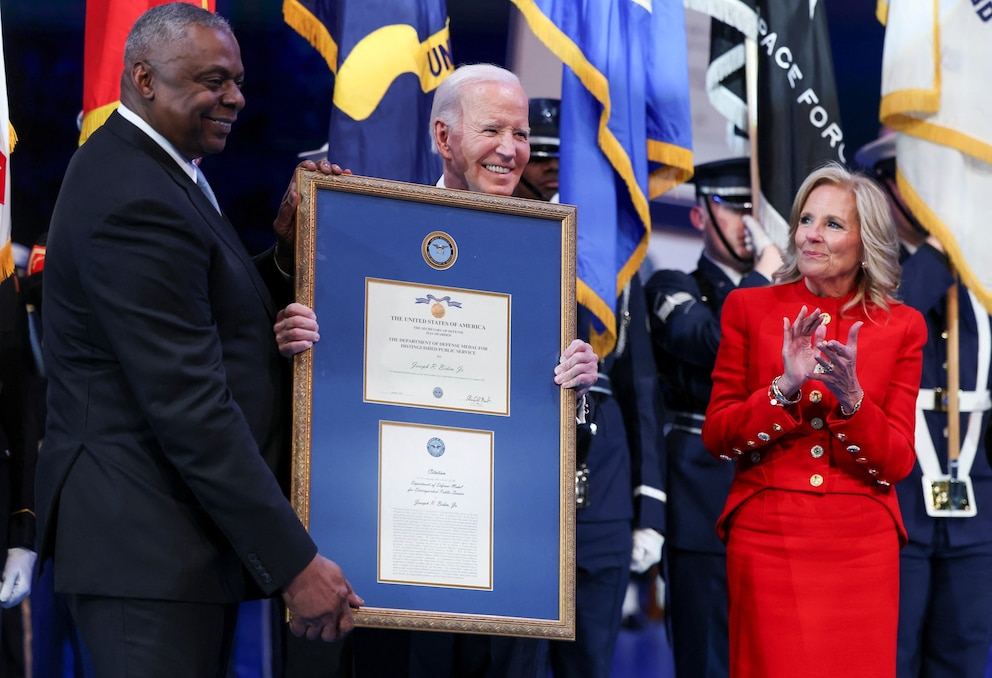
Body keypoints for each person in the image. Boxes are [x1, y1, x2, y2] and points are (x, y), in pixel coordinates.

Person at [36, 4, 361, 675]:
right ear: (144, 79)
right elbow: (191, 405)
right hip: (144, 552)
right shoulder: (133, 194)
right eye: (214, 81)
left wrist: (284, 254)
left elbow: (217, 313)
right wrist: (295, 561)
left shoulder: (161, 172)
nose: (236, 98)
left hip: (167, 552)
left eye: (238, 80)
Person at [700, 162, 926, 677]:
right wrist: (784, 388)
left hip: (862, 547)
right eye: (807, 220)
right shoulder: (748, 307)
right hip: (767, 535)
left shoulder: (902, 326)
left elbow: (896, 461)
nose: (812, 236)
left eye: (833, 224)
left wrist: (853, 403)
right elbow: (717, 435)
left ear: (866, 242)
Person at [512, 97, 666, 678]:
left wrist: (647, 506)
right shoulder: (494, 237)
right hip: (521, 489)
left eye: (563, 158)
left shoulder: (607, 261)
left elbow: (639, 386)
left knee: (588, 663)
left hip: (600, 488)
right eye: (542, 156)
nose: (553, 169)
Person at [856, 134, 992, 678]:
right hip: (896, 505)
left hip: (976, 509)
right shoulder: (872, 275)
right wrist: (937, 253)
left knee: (963, 657)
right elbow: (880, 333)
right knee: (891, 658)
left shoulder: (981, 276)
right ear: (891, 190)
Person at [644, 157, 781, 678]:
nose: (749, 222)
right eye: (733, 207)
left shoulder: (784, 294)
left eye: (756, 207)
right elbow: (711, 341)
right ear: (701, 216)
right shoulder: (673, 285)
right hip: (703, 497)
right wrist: (763, 274)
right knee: (706, 657)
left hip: (772, 495)